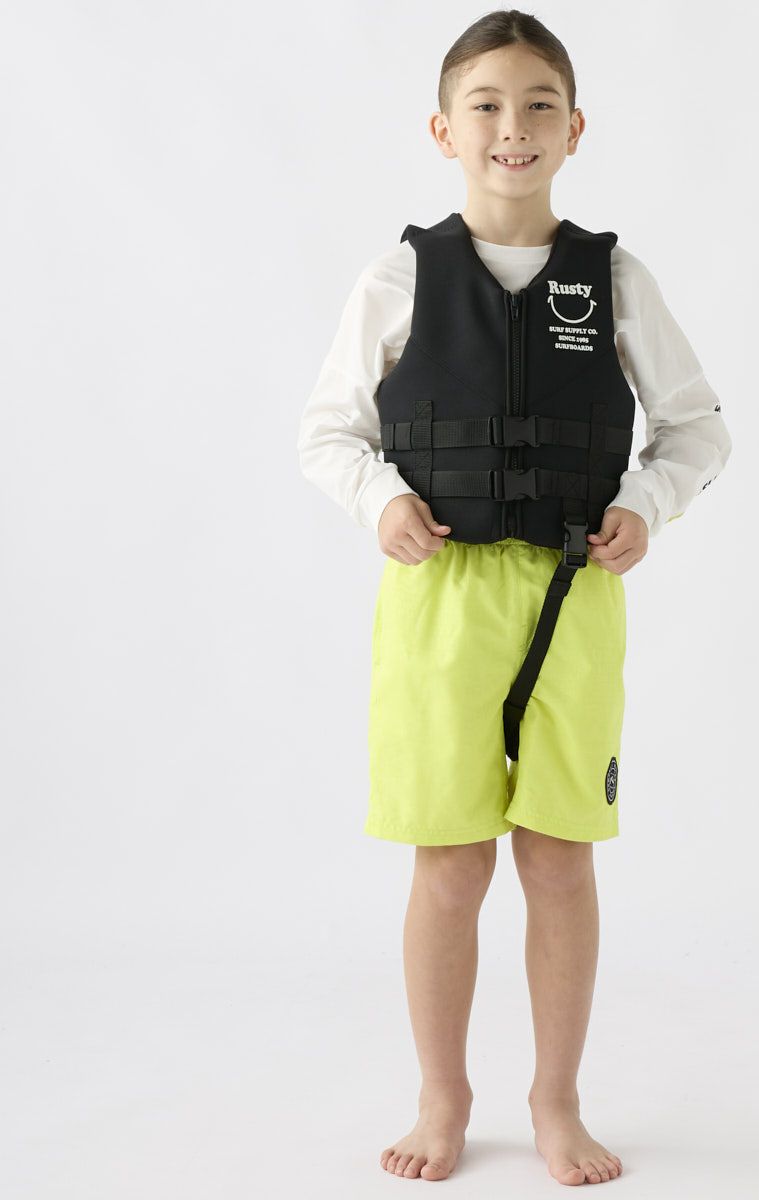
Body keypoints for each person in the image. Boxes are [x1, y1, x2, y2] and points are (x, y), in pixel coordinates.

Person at [297, 9, 732, 1186]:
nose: (513, 125)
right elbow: (327, 431)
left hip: (571, 596)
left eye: (540, 103)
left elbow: (697, 428)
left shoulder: (614, 279)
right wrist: (379, 500)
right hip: (438, 599)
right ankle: (442, 1096)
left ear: (574, 129)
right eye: (485, 104)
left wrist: (646, 503)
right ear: (443, 130)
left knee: (557, 858)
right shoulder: (398, 278)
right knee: (449, 864)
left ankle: (556, 1100)